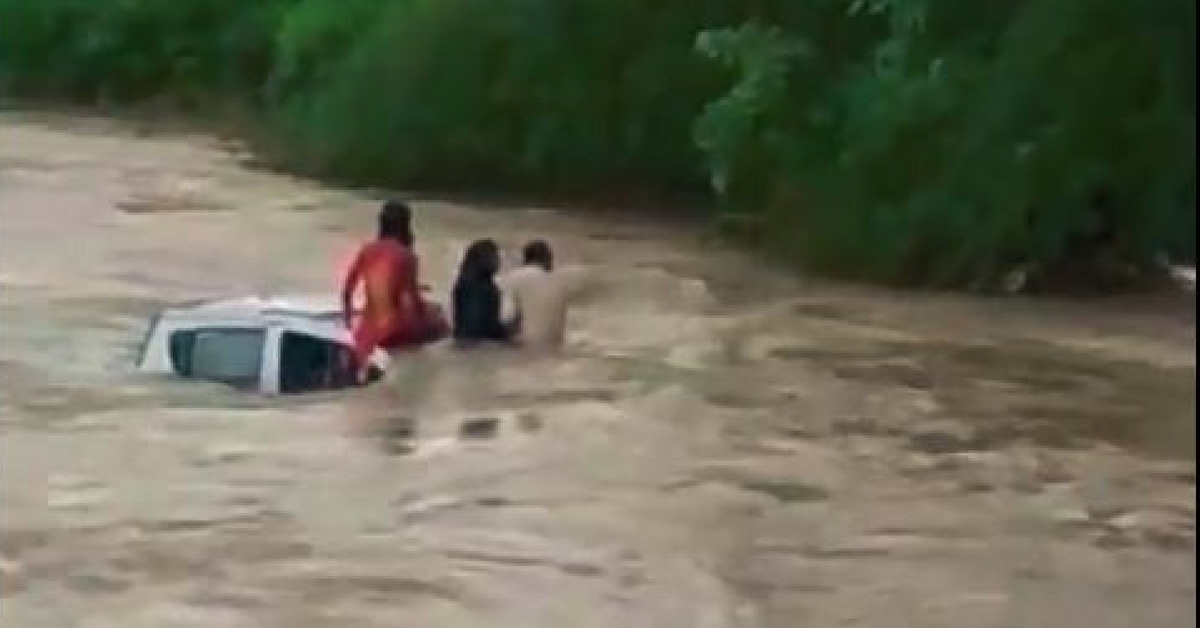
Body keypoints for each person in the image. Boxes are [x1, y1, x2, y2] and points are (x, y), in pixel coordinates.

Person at [341, 200, 447, 380]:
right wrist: (425, 322)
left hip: (368, 329)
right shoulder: (406, 255)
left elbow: (348, 288)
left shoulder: (367, 250)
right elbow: (410, 299)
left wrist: (348, 321)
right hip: (395, 329)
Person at [499, 240, 570, 348]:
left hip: (523, 351)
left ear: (525, 259)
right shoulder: (561, 284)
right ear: (548, 260)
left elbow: (505, 318)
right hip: (555, 349)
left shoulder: (515, 277)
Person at [451, 239, 512, 346]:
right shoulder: (473, 285)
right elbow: (474, 325)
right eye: (496, 257)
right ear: (484, 259)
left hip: (472, 344)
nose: (499, 261)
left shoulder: (474, 282)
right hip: (477, 346)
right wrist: (504, 333)